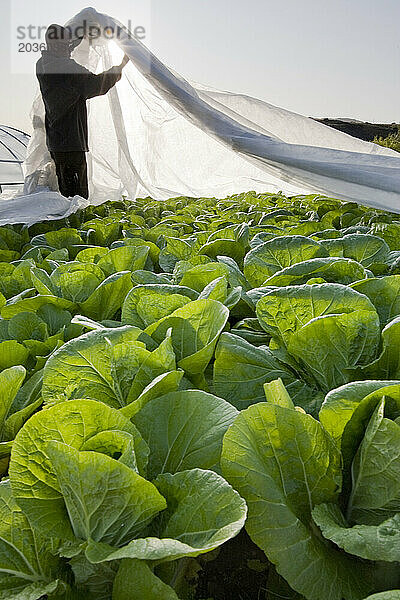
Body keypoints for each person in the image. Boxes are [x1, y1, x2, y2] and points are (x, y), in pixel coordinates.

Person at [36, 24, 129, 199]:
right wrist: (121, 65)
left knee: (66, 192)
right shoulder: (67, 68)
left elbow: (64, 50)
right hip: (71, 143)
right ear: (55, 45)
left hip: (57, 142)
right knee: (76, 197)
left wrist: (80, 37)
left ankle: (69, 222)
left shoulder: (42, 64)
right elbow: (97, 84)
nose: (69, 49)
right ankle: (75, 223)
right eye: (65, 44)